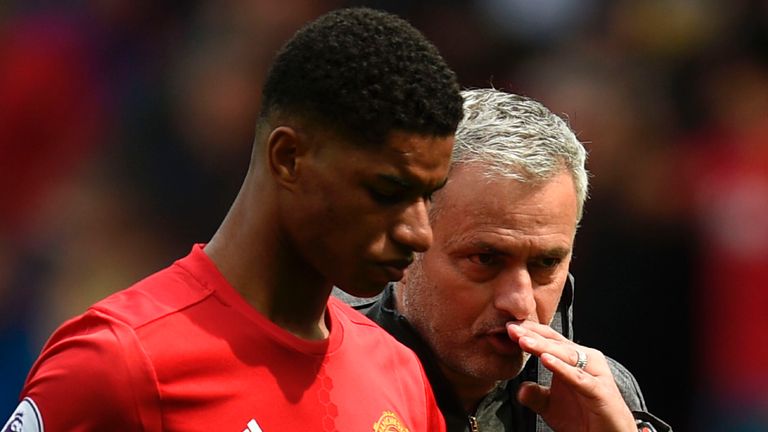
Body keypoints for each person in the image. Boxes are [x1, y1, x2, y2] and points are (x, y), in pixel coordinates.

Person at [3, 8, 464, 432]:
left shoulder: (400, 376)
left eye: (427, 197)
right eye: (387, 192)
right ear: (289, 158)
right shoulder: (119, 361)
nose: (419, 233)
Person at [336, 88, 671, 432]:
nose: (519, 302)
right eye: (485, 259)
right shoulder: (315, 374)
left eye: (546, 263)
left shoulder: (603, 403)